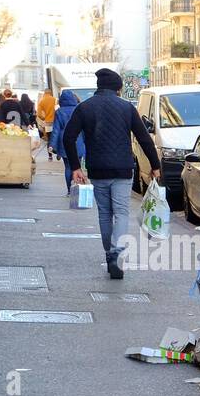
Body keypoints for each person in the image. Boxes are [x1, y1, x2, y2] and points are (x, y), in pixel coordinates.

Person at [64, 68, 161, 280]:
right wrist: (155, 165)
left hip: (98, 170)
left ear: (98, 87)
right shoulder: (127, 108)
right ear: (118, 88)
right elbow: (144, 138)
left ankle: (109, 253)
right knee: (122, 212)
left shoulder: (84, 107)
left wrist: (76, 167)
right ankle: (117, 251)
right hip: (123, 169)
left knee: (105, 214)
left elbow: (68, 137)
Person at [50, 89, 85, 193]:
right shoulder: (78, 109)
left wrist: (52, 144)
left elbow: (56, 129)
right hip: (78, 140)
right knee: (77, 165)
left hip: (63, 141)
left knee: (68, 167)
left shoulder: (59, 112)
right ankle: (76, 186)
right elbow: (84, 128)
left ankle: (69, 189)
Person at [37, 89, 57, 160]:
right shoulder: (55, 100)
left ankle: (50, 156)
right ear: (51, 93)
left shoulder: (42, 101)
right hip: (55, 122)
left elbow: (39, 114)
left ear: (44, 93)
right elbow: (58, 110)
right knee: (56, 137)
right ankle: (58, 152)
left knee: (49, 139)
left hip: (47, 123)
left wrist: (44, 118)